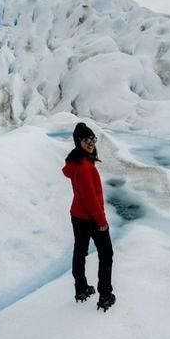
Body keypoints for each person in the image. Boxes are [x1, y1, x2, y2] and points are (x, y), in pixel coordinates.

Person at [61, 122, 116, 312]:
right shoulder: (84, 166)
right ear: (78, 142)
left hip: (77, 215)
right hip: (90, 217)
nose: (91, 143)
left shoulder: (77, 161)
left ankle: (81, 288)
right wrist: (101, 222)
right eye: (87, 140)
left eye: (93, 139)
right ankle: (105, 295)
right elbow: (91, 199)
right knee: (106, 254)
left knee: (80, 250)